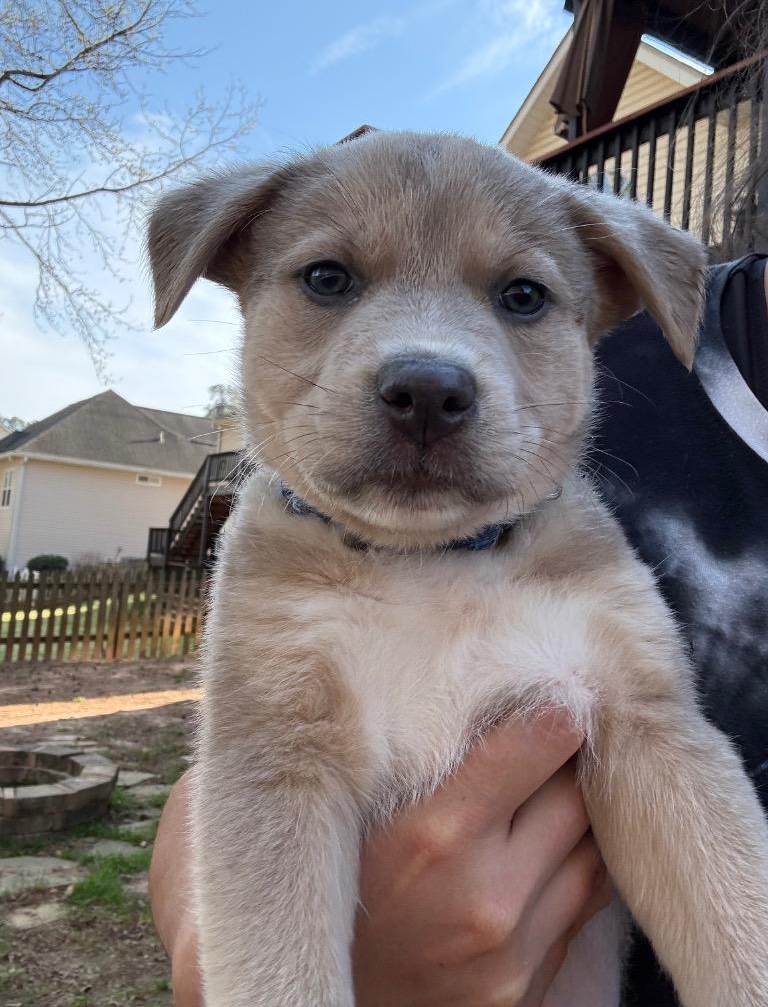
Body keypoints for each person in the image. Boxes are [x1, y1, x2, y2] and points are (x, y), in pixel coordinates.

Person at [149, 253, 768, 1006]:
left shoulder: (577, 523)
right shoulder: (274, 547)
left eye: (521, 295)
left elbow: (665, 760)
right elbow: (258, 780)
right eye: (330, 279)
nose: (429, 369)